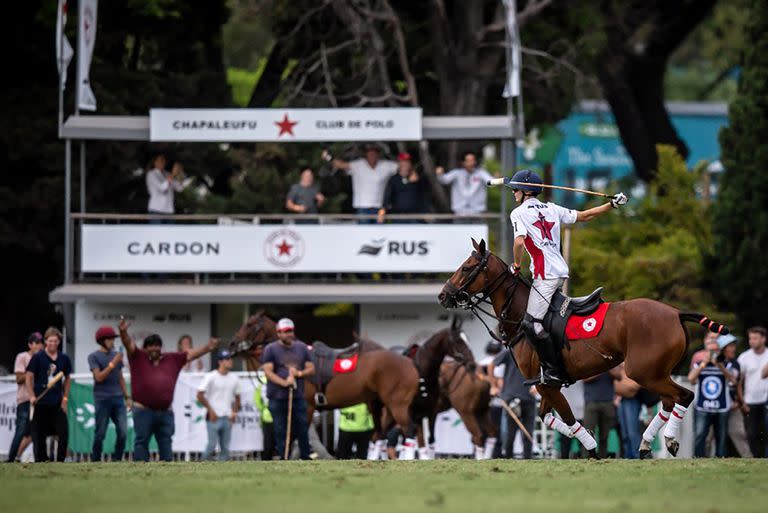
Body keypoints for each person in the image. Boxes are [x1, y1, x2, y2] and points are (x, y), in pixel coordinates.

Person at [507, 169, 627, 385]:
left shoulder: (518, 213)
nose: (513, 192)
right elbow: (584, 216)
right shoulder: (552, 208)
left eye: (516, 189)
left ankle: (552, 371)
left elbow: (519, 242)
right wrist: (612, 205)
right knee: (547, 318)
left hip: (545, 275)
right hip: (560, 271)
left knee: (530, 323)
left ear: (525, 191)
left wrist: (516, 265)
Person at [118, 318, 217, 462]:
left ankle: (167, 472)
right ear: (145, 348)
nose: (154, 348)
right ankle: (139, 473)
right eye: (150, 346)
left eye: (157, 345)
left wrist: (208, 347)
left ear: (161, 347)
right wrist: (123, 332)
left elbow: (190, 354)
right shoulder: (137, 357)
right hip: (143, 410)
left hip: (165, 412)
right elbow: (128, 343)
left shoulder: (172, 359)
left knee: (166, 444)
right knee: (141, 442)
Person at [261, 318, 315, 460]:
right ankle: (284, 457)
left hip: (297, 396)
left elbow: (311, 368)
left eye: (290, 331)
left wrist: (299, 374)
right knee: (280, 429)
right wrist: (284, 382)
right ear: (278, 333)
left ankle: (305, 456)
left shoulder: (302, 347)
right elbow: (268, 372)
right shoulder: (271, 349)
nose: (288, 334)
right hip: (277, 397)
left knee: (302, 427)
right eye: (285, 332)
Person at [25, 327, 72, 462]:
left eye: (55, 341)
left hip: (57, 403)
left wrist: (65, 399)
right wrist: (32, 395)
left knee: (63, 433)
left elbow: (67, 379)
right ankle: (42, 461)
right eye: (50, 341)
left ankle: (61, 461)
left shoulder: (64, 359)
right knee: (39, 437)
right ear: (45, 341)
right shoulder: (37, 358)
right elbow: (28, 377)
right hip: (40, 403)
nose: (53, 343)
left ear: (59, 342)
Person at [688, 333, 738, 457]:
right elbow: (691, 379)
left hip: (722, 406)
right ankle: (698, 458)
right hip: (702, 406)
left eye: (715, 350)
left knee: (721, 436)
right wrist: (703, 364)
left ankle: (720, 458)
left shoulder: (726, 364)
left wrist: (720, 366)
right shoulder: (699, 363)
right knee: (700, 434)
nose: (713, 353)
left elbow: (733, 381)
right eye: (710, 351)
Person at [88, 326, 131, 462]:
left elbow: (120, 378)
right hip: (102, 399)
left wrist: (127, 397)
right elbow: (99, 377)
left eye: (113, 339)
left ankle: (117, 460)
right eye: (110, 339)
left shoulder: (115, 356)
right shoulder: (93, 356)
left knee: (123, 432)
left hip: (118, 399)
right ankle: (95, 460)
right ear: (102, 341)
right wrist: (113, 363)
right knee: (100, 433)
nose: (113, 341)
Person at [489, 348, 536, 459]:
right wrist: (493, 386)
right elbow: (492, 365)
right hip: (511, 399)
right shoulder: (510, 351)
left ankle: (528, 461)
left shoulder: (535, 351)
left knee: (528, 434)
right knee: (510, 434)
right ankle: (508, 460)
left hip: (529, 399)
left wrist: (538, 387)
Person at [332, 144, 397, 221]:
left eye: (374, 153)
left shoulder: (387, 165)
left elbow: (403, 166)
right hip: (362, 207)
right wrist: (329, 157)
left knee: (379, 231)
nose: (372, 155)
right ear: (366, 154)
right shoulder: (358, 164)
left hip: (380, 207)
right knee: (363, 231)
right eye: (370, 153)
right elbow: (340, 165)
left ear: (378, 154)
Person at [197, 349, 241, 461]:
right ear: (220, 362)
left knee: (225, 448)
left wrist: (234, 412)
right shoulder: (211, 376)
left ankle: (222, 472)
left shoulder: (234, 378)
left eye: (230, 358)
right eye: (227, 359)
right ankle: (201, 466)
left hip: (227, 416)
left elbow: (238, 397)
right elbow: (199, 394)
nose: (230, 361)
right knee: (211, 445)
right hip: (213, 417)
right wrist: (211, 411)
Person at [6, 332, 43, 462]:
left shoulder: (43, 358)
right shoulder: (22, 357)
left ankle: (38, 460)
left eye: (41, 343)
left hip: (38, 401)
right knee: (21, 431)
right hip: (25, 400)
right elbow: (18, 378)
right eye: (37, 343)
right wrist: (32, 372)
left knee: (35, 433)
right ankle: (11, 459)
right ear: (30, 344)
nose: (40, 345)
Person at [717, 335, 751, 457]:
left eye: (734, 346)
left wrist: (741, 402)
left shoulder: (736, 364)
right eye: (730, 346)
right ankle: (704, 460)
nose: (734, 349)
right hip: (715, 407)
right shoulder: (713, 363)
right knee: (710, 436)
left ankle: (750, 460)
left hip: (733, 405)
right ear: (722, 348)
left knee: (739, 433)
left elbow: (737, 384)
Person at [737, 326, 768, 458]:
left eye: (755, 338)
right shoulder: (744, 357)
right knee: (752, 434)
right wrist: (741, 401)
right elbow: (739, 381)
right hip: (750, 401)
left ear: (764, 339)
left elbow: (763, 375)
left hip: (766, 399)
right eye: (750, 338)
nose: (752, 341)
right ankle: (754, 459)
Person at [435, 151, 495, 217]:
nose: (470, 163)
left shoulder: (481, 173)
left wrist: (498, 179)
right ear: (463, 163)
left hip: (477, 212)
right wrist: (440, 174)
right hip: (460, 212)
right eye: (468, 161)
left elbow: (491, 182)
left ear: (475, 162)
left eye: (472, 160)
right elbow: (444, 180)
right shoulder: (456, 173)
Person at [377, 153, 431, 223]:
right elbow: (387, 196)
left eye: (407, 162)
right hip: (398, 217)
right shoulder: (393, 179)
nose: (405, 164)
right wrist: (383, 209)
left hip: (416, 217)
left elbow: (424, 196)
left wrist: (426, 212)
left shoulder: (418, 178)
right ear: (399, 163)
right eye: (403, 161)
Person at [582, 371, 618, 459]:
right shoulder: (589, 360)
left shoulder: (610, 360)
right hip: (591, 402)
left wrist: (607, 366)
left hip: (608, 402)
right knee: (588, 434)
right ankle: (587, 457)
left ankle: (602, 457)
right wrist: (602, 369)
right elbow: (584, 378)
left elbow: (619, 376)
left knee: (605, 435)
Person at [614, 363, 641, 459]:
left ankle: (636, 455)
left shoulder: (634, 365)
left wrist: (620, 387)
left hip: (631, 400)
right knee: (625, 432)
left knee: (632, 431)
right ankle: (628, 456)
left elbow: (633, 387)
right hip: (622, 400)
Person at [559, 381, 585, 458]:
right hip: (564, 413)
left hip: (581, 411)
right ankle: (563, 464)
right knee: (565, 444)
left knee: (582, 443)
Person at [254, 379, 275, 460]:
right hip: (268, 417)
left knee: (270, 441)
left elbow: (256, 399)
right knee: (268, 442)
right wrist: (263, 409)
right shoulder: (262, 381)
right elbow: (257, 399)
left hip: (274, 415)